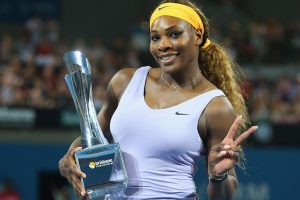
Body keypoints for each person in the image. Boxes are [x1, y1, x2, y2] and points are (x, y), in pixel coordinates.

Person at [59, 0, 258, 199]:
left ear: (197, 36)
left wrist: (218, 176)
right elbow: (92, 140)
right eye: (155, 37)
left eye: (174, 34)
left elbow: (223, 196)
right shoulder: (125, 81)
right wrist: (69, 158)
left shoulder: (216, 107)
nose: (163, 45)